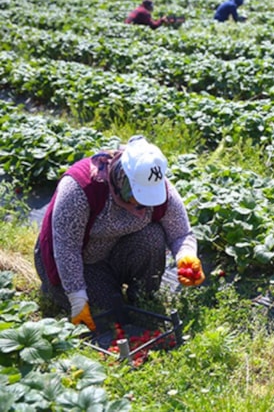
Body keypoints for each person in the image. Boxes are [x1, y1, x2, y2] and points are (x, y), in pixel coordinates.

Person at [34, 136, 205, 331]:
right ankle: (56, 290)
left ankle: (142, 299)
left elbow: (181, 233)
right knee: (109, 316)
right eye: (137, 195)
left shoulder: (155, 183)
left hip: (113, 253)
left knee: (152, 237)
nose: (142, 204)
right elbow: (66, 248)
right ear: (123, 178)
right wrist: (77, 298)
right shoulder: (82, 188)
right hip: (78, 261)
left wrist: (187, 256)